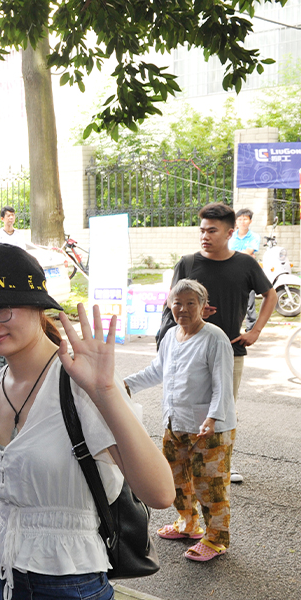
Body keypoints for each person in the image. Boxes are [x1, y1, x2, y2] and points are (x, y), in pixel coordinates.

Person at [0, 244, 175, 600]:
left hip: (70, 583)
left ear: (38, 307)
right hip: (0, 573)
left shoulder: (80, 383)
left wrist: (106, 392)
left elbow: (160, 493)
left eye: (1, 307)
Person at [125, 279, 236, 561]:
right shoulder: (171, 336)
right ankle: (188, 524)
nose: (183, 309)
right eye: (177, 303)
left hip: (209, 427)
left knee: (209, 485)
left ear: (203, 306)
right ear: (169, 305)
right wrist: (124, 384)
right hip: (175, 423)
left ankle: (216, 539)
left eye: (190, 303)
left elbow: (223, 383)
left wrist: (213, 417)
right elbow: (156, 371)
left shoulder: (214, 338)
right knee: (175, 480)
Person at [171, 202, 274, 483]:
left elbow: (271, 295)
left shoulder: (245, 264)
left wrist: (255, 331)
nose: (204, 236)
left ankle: (222, 463)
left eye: (212, 231)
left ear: (230, 233)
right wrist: (193, 311)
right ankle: (189, 461)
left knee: (223, 409)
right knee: (189, 405)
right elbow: (171, 301)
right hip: (191, 350)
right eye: (202, 230)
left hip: (230, 350)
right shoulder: (188, 263)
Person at [230, 208, 261, 332]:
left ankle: (251, 328)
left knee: (250, 301)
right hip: (231, 270)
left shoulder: (254, 237)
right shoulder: (230, 235)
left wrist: (234, 254)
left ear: (250, 221)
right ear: (236, 221)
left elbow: (249, 252)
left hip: (248, 272)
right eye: (239, 219)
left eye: (245, 219)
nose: (242, 222)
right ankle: (232, 327)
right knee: (232, 299)